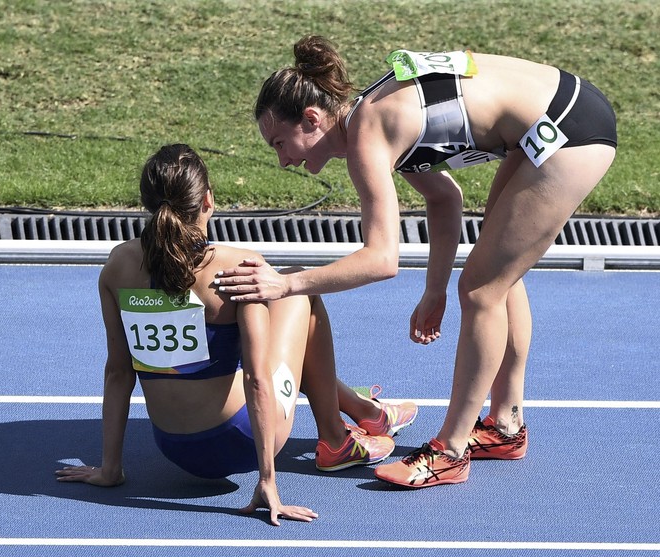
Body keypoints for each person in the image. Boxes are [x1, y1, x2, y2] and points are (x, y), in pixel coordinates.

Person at [214, 37, 616, 488]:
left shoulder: (370, 132)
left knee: (483, 289)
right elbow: (445, 199)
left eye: (280, 143)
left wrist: (284, 285)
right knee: (499, 270)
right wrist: (434, 289)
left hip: (569, 130)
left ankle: (449, 451)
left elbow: (381, 259)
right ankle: (505, 424)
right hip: (561, 114)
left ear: (312, 118)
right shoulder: (376, 117)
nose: (283, 159)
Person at [55, 144, 418, 523]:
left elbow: (118, 372)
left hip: (174, 448)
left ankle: (364, 411)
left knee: (268, 333)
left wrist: (109, 468)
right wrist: (267, 481)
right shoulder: (237, 267)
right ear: (208, 200)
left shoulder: (117, 266)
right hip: (240, 441)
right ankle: (335, 440)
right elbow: (257, 378)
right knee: (299, 290)